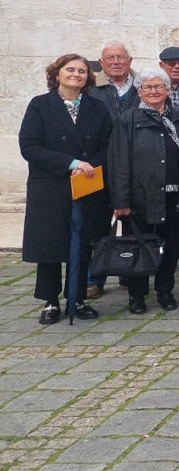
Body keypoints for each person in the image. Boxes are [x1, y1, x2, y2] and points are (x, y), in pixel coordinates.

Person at [20, 54, 113, 325]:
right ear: (57, 74)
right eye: (70, 69)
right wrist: (71, 163)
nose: (76, 74)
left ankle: (78, 297)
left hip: (86, 184)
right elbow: (30, 146)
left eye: (82, 71)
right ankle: (50, 301)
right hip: (51, 185)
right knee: (50, 245)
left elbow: (109, 146)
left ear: (88, 77)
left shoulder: (97, 108)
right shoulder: (40, 105)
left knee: (82, 244)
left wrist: (88, 166)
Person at [108, 69, 179, 314]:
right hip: (141, 198)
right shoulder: (128, 120)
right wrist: (121, 199)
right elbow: (119, 163)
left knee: (170, 247)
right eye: (148, 88)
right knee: (140, 247)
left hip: (175, 197)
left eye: (159, 87)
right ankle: (136, 296)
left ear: (168, 90)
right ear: (140, 92)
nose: (154, 91)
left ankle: (165, 291)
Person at [89, 41, 139, 118]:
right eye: (110, 58)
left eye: (121, 57)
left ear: (130, 60)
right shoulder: (90, 87)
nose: (116, 62)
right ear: (101, 62)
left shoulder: (144, 85)